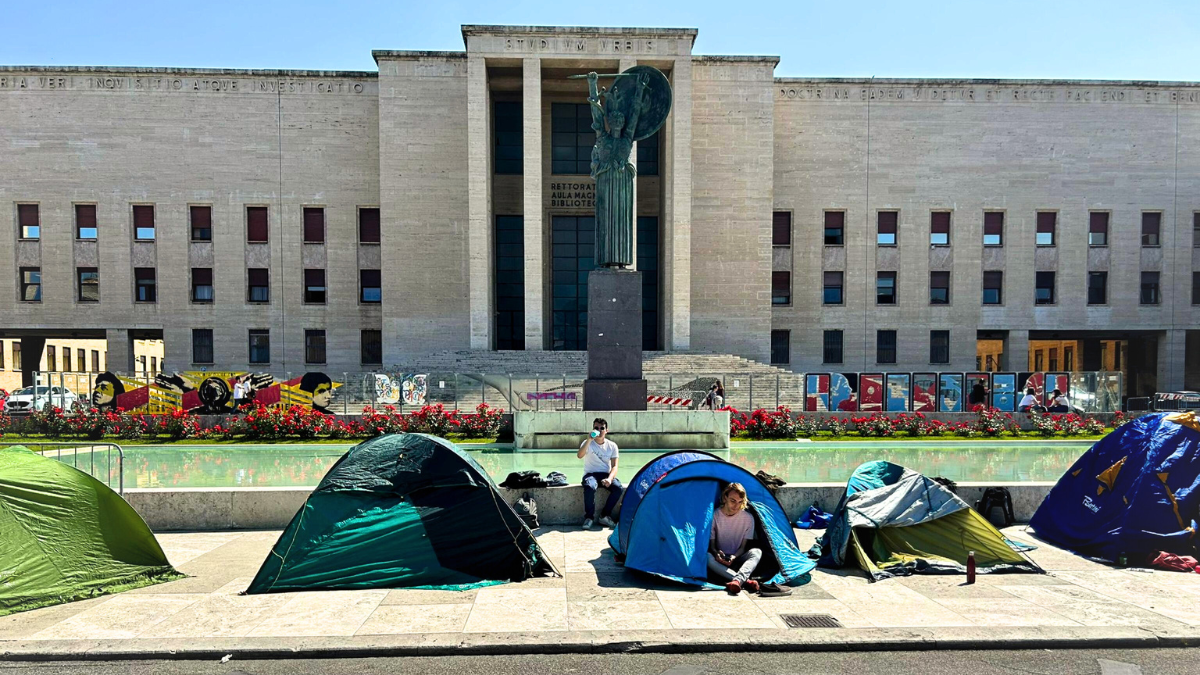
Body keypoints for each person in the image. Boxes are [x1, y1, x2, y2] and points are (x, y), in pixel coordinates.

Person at [708, 482, 762, 595]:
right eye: (733, 501)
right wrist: (716, 553)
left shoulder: (748, 518)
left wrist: (735, 556)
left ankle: (737, 580)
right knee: (706, 557)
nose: (736, 506)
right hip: (720, 558)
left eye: (740, 502)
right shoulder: (715, 515)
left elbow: (743, 547)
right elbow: (712, 546)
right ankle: (744, 581)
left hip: (738, 558)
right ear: (725, 497)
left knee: (757, 552)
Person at [577, 417, 622, 530]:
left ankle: (604, 516)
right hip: (590, 474)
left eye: (602, 428)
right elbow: (579, 455)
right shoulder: (587, 442)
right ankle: (589, 518)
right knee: (590, 487)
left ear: (606, 430)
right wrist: (588, 440)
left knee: (618, 488)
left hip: (605, 475)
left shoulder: (612, 446)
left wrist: (610, 479)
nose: (599, 430)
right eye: (596, 428)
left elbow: (615, 466)